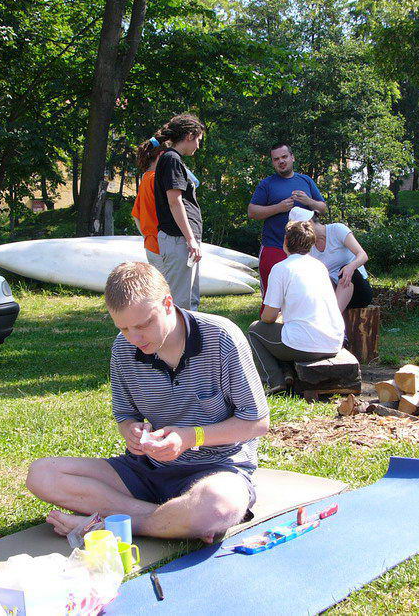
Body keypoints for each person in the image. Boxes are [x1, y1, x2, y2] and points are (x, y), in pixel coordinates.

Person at [26, 262, 269, 542]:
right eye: (124, 328)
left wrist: (191, 437)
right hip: (147, 470)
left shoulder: (221, 337)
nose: (135, 338)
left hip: (219, 468)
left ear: (168, 304)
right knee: (42, 474)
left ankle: (115, 523)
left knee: (217, 505)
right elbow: (125, 415)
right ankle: (172, 519)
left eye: (143, 325)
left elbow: (257, 422)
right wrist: (132, 432)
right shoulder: (123, 347)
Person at [246, 221, 345, 393]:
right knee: (283, 331)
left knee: (256, 330)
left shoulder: (281, 268)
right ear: (311, 243)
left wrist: (274, 318)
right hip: (334, 341)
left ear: (285, 241)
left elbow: (268, 317)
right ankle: (287, 374)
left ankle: (274, 381)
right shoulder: (320, 267)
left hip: (305, 345)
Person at [247, 143, 327, 311]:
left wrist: (309, 202)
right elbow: (252, 212)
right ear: (273, 162)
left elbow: (323, 209)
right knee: (271, 298)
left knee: (303, 296)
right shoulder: (266, 184)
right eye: (276, 159)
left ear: (292, 157)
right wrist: (279, 207)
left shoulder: (306, 181)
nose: (281, 161)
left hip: (306, 250)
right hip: (274, 247)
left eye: (284, 157)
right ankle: (268, 333)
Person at [152, 114, 206, 310]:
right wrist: (190, 240)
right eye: (198, 140)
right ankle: (174, 340)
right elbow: (175, 202)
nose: (198, 146)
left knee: (190, 302)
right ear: (190, 135)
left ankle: (191, 340)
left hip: (182, 240)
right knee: (179, 304)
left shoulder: (173, 160)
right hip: (178, 240)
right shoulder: (172, 159)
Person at [288, 207, 373, 312]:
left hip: (357, 290)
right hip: (331, 292)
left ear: (309, 223)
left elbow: (363, 255)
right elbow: (293, 263)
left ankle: (334, 317)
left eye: (300, 231)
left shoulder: (337, 229)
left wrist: (351, 267)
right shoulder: (307, 245)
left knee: (344, 271)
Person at [131, 142, 164, 271]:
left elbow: (135, 215)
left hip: (151, 246)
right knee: (168, 289)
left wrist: (147, 236)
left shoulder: (145, 178)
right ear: (161, 155)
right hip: (164, 247)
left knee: (157, 287)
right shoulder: (157, 179)